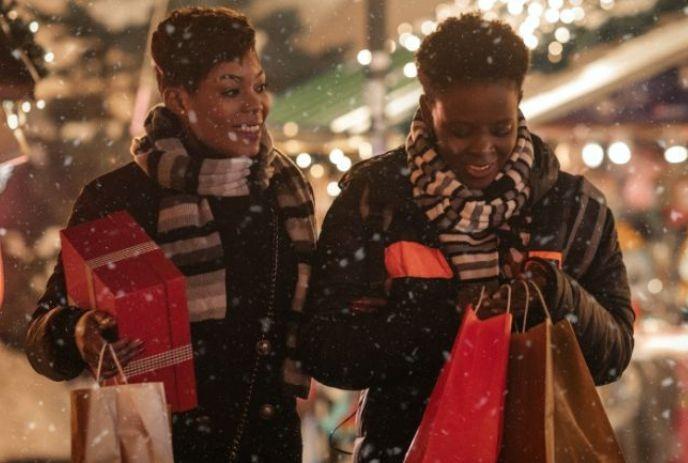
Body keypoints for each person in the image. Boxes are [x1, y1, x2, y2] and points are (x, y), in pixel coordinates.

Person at [300, 13, 634, 462]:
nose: (482, 149)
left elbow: (612, 357)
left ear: (519, 103)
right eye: (459, 130)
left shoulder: (574, 208)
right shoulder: (374, 200)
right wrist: (446, 316)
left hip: (539, 446)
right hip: (406, 449)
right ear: (427, 104)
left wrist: (557, 296)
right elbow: (328, 353)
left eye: (501, 128)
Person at [25, 7, 315, 462]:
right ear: (179, 99)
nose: (254, 105)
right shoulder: (119, 198)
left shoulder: (282, 190)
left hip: (267, 442)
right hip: (157, 444)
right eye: (230, 90)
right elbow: (43, 337)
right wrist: (78, 330)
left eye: (258, 86)